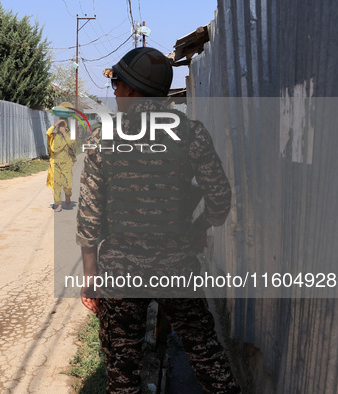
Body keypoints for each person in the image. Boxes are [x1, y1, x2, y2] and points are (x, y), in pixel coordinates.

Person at [76, 47, 240, 393]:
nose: (115, 91)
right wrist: (199, 227)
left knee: (123, 371)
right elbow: (220, 198)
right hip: (177, 264)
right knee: (206, 354)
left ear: (134, 90)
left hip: (120, 272)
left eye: (118, 83)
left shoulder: (102, 139)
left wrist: (90, 277)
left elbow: (90, 216)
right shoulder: (192, 133)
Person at [46, 102, 77, 212]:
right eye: (61, 124)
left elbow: (72, 145)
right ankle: (58, 204)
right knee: (56, 185)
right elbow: (47, 133)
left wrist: (64, 133)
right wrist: (54, 125)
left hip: (67, 163)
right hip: (56, 163)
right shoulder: (54, 135)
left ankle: (67, 196)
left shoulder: (69, 134)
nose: (62, 126)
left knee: (68, 185)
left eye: (63, 124)